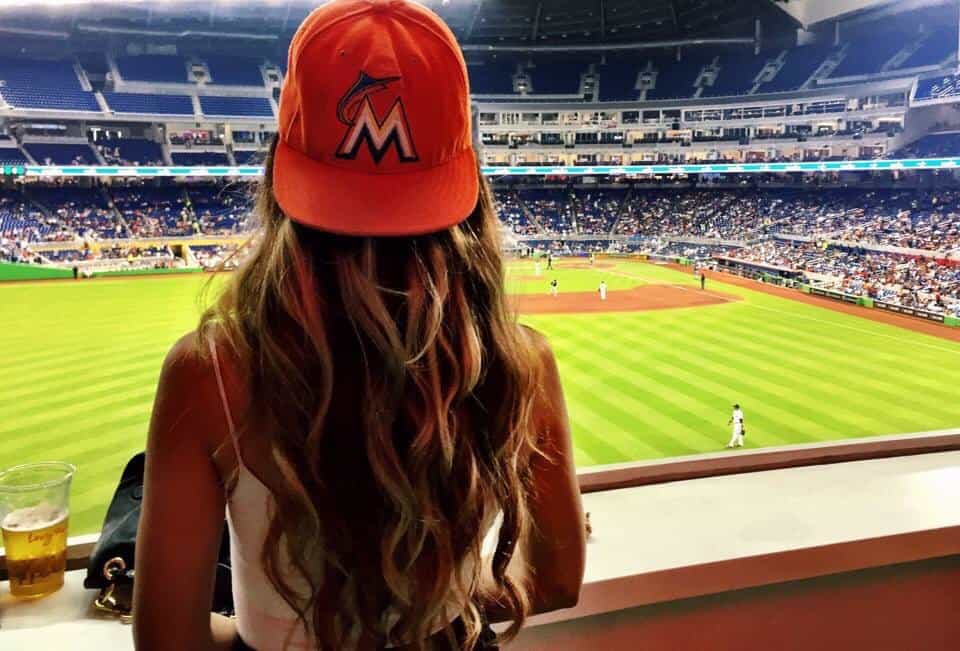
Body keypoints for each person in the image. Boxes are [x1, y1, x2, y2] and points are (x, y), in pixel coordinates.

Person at [132, 2, 586, 650]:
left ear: (279, 171)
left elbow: (166, 642)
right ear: (466, 183)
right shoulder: (520, 363)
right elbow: (558, 577)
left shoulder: (208, 375)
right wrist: (446, 603)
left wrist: (258, 633)